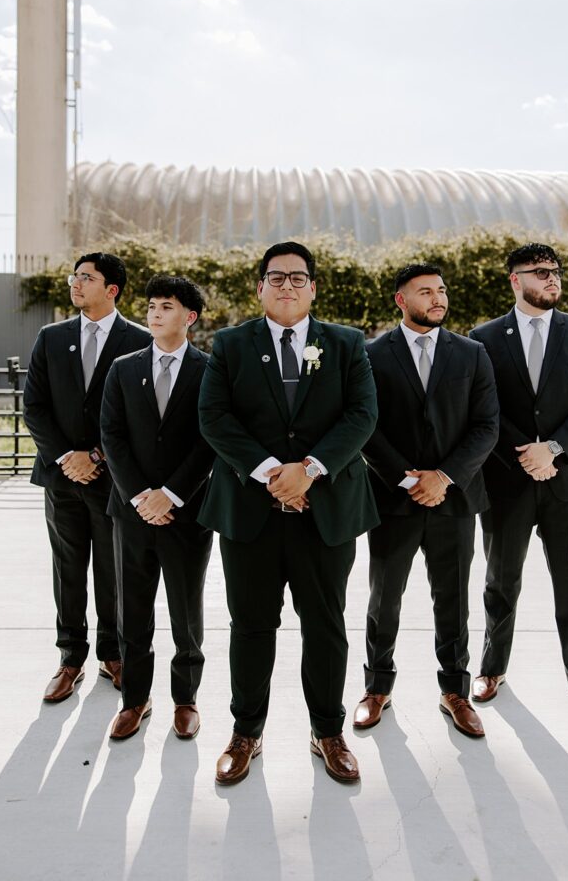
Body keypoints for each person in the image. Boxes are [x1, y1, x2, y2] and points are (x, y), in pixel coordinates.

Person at [198, 241, 379, 785]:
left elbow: (361, 414)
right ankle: (245, 733)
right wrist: (275, 472)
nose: (287, 286)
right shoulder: (230, 344)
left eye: (298, 278)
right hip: (250, 511)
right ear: (260, 287)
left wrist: (312, 469)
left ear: (313, 288)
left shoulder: (346, 343)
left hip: (326, 513)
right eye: (276, 278)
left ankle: (328, 731)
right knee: (251, 626)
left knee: (325, 626)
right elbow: (215, 416)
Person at [470, 243, 568, 723]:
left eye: (556, 271)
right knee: (500, 581)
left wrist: (551, 451)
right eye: (539, 272)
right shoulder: (484, 338)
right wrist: (527, 453)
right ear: (515, 280)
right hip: (508, 480)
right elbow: (484, 411)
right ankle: (491, 669)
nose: (551, 278)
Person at [355, 263, 499, 738]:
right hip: (393, 501)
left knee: (453, 599)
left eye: (441, 290)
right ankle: (377, 687)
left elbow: (486, 426)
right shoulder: (371, 354)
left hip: (454, 500)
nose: (438, 298)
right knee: (383, 598)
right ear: (401, 300)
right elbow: (366, 426)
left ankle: (455, 690)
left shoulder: (473, 354)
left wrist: (445, 477)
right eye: (425, 292)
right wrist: (406, 479)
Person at [23, 252, 149, 702]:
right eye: (75, 276)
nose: (76, 284)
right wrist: (64, 457)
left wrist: (95, 454)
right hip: (61, 479)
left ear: (111, 289)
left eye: (86, 277)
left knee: (113, 572)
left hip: (112, 479)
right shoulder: (51, 337)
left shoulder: (139, 339)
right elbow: (33, 406)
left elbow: (137, 415)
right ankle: (70, 658)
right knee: (68, 569)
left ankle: (111, 653)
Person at [100, 275, 214, 741]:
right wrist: (141, 496)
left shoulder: (210, 371)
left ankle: (185, 699)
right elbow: (112, 435)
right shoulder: (123, 368)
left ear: (188, 316)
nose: (153, 313)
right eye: (150, 305)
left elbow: (210, 440)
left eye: (165, 306)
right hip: (132, 512)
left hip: (187, 513)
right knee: (133, 609)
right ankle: (135, 700)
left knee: (187, 612)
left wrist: (171, 494)